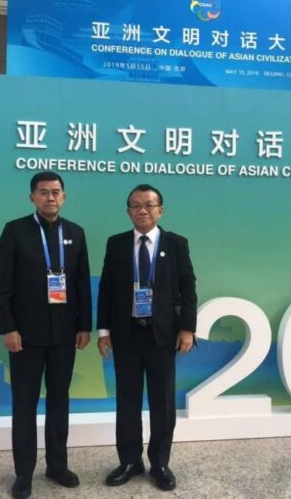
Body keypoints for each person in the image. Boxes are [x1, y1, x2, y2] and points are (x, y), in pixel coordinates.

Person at [0, 171, 92, 499]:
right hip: (25, 336)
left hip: (64, 335)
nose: (51, 197)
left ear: (64, 197)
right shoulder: (15, 231)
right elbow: (0, 284)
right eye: (44, 192)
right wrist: (8, 328)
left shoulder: (75, 233)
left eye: (56, 192)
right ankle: (23, 473)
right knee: (25, 404)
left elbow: (81, 283)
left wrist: (84, 325)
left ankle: (57, 466)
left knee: (60, 401)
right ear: (32, 197)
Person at [97, 184, 197, 491]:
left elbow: (188, 286)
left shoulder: (176, 244)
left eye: (149, 205)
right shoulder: (116, 244)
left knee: (162, 403)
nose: (143, 210)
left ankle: (160, 463)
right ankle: (130, 461)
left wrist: (187, 328)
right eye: (136, 205)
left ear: (160, 210)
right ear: (128, 211)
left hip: (162, 336)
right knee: (127, 401)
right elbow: (106, 289)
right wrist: (103, 331)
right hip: (126, 335)